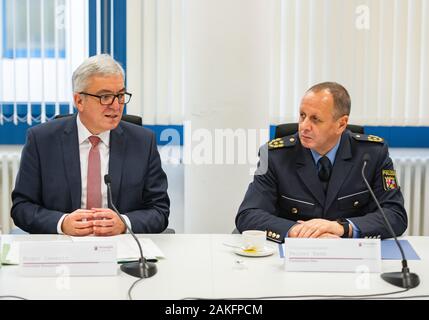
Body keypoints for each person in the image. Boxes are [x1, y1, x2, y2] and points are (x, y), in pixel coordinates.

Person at [11, 54, 170, 236]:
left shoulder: (143, 142)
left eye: (120, 95)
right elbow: (21, 208)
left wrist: (124, 223)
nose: (116, 106)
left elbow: (160, 210)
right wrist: (62, 223)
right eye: (105, 97)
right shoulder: (41, 140)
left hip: (121, 249)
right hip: (62, 250)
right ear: (79, 101)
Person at [236, 82, 407, 242]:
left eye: (315, 119)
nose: (304, 126)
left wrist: (341, 228)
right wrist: (297, 231)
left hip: (350, 256)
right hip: (292, 255)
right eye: (302, 116)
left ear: (341, 124)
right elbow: (248, 214)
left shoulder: (371, 154)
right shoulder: (275, 156)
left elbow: (395, 214)